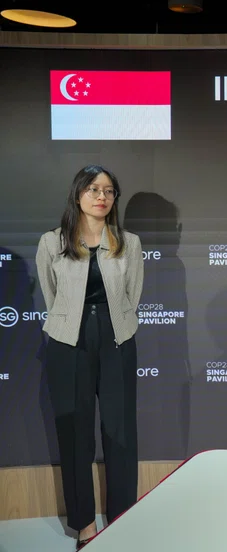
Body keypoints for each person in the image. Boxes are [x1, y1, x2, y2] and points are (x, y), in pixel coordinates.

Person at [36, 165, 144, 550]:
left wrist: (113, 323)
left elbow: (133, 294)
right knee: (76, 437)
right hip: (69, 344)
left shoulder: (129, 242)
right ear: (78, 194)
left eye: (109, 191)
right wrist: (70, 325)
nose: (102, 196)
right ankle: (84, 526)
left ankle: (123, 523)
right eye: (94, 189)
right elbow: (52, 297)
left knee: (120, 435)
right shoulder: (52, 242)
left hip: (117, 341)